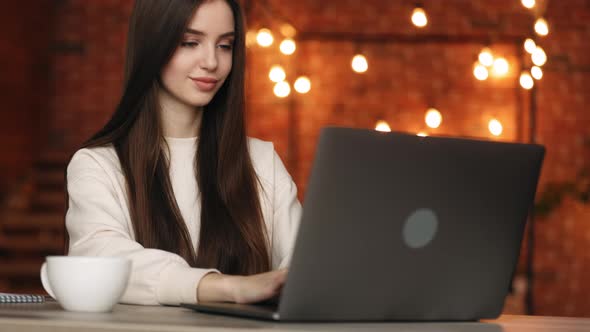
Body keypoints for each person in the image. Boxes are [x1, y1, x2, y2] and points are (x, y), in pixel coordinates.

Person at [65, 0, 301, 306]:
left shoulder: (260, 160)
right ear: (152, 45)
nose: (212, 62)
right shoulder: (99, 164)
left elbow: (305, 261)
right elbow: (101, 257)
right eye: (190, 43)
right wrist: (227, 287)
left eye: (225, 45)